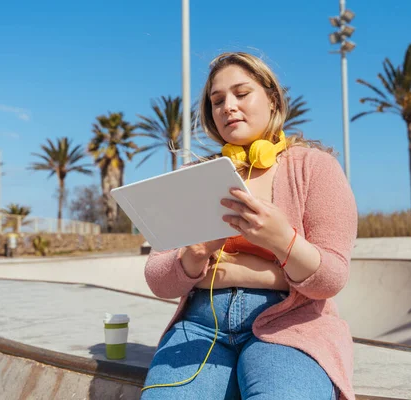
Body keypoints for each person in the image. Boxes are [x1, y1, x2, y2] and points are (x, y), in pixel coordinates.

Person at [141, 52, 358, 400]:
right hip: (200, 325)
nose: (228, 106)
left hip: (292, 322)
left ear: (272, 99)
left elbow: (331, 278)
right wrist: (197, 252)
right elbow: (158, 277)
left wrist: (281, 240)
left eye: (241, 94)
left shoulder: (316, 168)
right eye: (217, 100)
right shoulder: (192, 178)